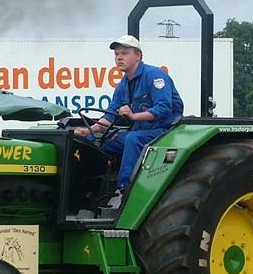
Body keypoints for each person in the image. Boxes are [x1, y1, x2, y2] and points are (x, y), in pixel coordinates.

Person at [75, 34, 183, 208]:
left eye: (124, 53)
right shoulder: (123, 85)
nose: (119, 57)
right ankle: (89, 191)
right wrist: (88, 131)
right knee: (96, 141)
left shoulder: (155, 76)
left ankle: (124, 192)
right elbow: (109, 116)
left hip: (164, 132)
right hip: (140, 131)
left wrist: (133, 116)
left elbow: (164, 109)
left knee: (133, 139)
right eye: (116, 54)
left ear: (138, 55)